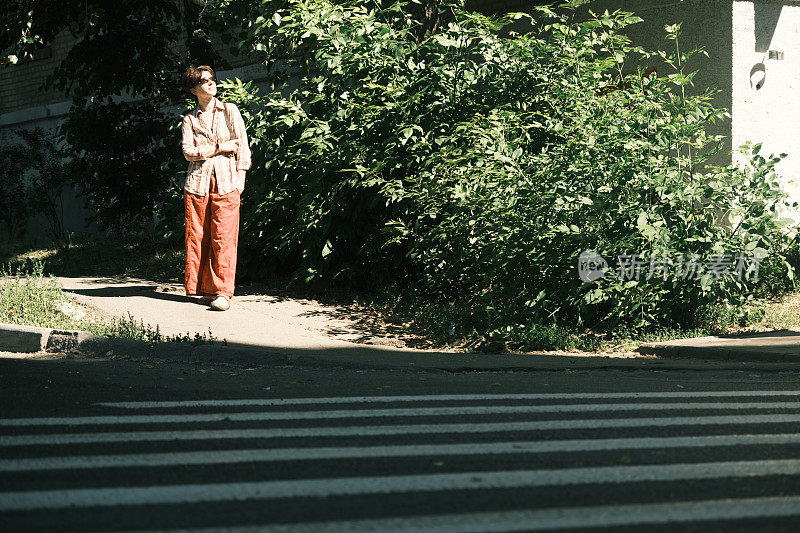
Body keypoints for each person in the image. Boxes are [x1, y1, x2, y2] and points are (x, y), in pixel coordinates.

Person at [180, 65, 251, 311]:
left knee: (224, 237)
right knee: (199, 237)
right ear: (193, 89)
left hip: (227, 181)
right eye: (204, 80)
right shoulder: (189, 120)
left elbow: (242, 146)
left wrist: (240, 180)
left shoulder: (230, 111)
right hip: (197, 184)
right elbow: (188, 153)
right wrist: (220, 146)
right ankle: (207, 289)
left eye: (212, 79)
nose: (211, 83)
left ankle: (223, 292)